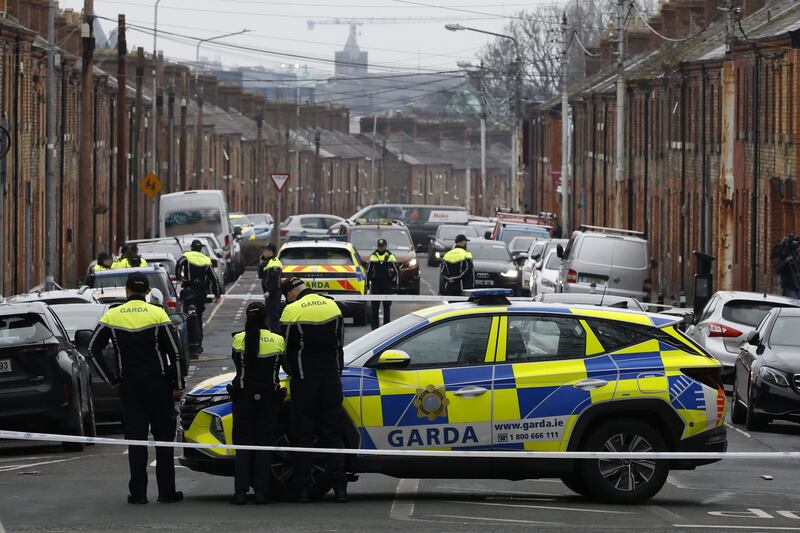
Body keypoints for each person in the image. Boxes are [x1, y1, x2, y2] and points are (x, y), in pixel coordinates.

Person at [87, 273, 184, 505]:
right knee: (163, 438)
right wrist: (178, 384)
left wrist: (112, 379)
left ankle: (138, 494)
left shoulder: (112, 315)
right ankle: (167, 491)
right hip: (158, 384)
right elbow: (176, 352)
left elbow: (92, 350)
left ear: (127, 291)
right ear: (148, 291)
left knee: (137, 439)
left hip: (130, 386)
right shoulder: (158, 313)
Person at [279, 277, 348, 503]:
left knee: (303, 434)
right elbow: (339, 345)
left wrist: (293, 372)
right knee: (333, 432)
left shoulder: (291, 311)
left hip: (304, 379)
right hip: (330, 378)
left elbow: (286, 349)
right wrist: (336, 371)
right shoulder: (332, 305)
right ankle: (340, 488)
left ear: (291, 293)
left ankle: (302, 489)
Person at [228, 302, 286, 505]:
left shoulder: (238, 339)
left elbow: (237, 363)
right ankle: (262, 492)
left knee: (243, 445)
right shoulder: (278, 340)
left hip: (243, 397)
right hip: (269, 398)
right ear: (265, 318)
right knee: (264, 445)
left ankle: (240, 493)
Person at [176, 240, 221, 356]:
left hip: (189, 292)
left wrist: (182, 279)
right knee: (199, 316)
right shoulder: (206, 259)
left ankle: (192, 344)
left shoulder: (186, 256)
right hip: (201, 293)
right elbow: (214, 279)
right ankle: (198, 344)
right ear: (201, 248)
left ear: (191, 247)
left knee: (189, 317)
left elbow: (178, 267)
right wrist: (217, 294)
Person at [367, 238, 399, 330]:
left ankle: (386, 328)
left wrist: (396, 284)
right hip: (375, 284)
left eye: (382, 246)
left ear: (385, 246)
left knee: (386, 307)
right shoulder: (373, 256)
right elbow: (368, 272)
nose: (381, 248)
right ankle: (374, 328)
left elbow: (397, 271)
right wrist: (367, 285)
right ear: (377, 246)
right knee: (374, 307)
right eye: (379, 246)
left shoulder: (390, 256)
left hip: (386, 284)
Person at [258, 243, 283, 331]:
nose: (263, 252)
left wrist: (269, 292)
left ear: (271, 252)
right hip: (269, 294)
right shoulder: (268, 262)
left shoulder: (274, 263)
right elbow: (260, 276)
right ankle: (273, 332)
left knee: (274, 316)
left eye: (265, 250)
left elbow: (275, 281)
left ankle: (276, 334)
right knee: (270, 315)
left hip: (273, 294)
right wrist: (261, 263)